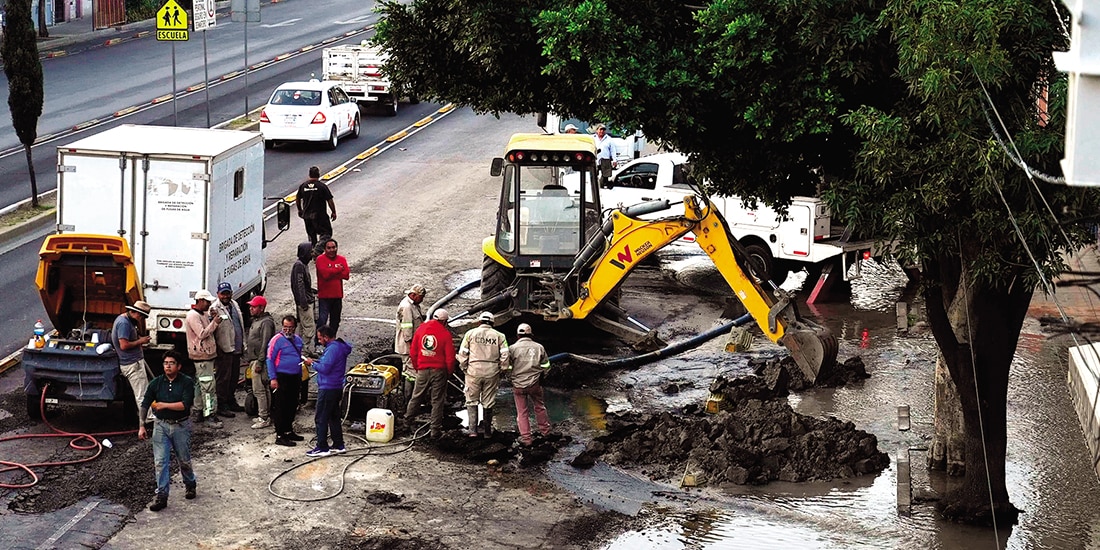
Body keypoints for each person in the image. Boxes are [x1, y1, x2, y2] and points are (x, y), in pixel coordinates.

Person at [138, 350, 196, 512]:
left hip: (180, 426)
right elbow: (145, 404)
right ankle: (162, 495)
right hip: (161, 426)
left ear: (179, 366)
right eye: (165, 363)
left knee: (183, 459)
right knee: (160, 462)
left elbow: (185, 405)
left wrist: (163, 405)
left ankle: (190, 484)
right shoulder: (156, 383)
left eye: (171, 363)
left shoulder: (186, 382)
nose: (168, 366)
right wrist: (142, 425)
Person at [404, 308, 456, 439]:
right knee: (437, 401)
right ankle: (435, 431)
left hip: (422, 369)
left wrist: (417, 367)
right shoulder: (445, 334)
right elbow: (450, 357)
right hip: (439, 371)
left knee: (416, 396)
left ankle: (406, 422)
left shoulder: (421, 329)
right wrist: (449, 372)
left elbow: (413, 351)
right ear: (444, 321)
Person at [457, 311, 510, 438]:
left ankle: (473, 431)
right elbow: (505, 355)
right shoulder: (500, 336)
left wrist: (464, 368)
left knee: (471, 400)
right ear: (492, 323)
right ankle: (487, 432)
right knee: (488, 401)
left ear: (479, 322)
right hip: (491, 371)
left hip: (473, 371)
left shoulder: (470, 333)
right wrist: (503, 369)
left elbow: (463, 353)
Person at [303, 325, 352, 457]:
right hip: (336, 387)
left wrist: (311, 363)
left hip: (328, 388)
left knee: (321, 418)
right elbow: (328, 364)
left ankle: (322, 447)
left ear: (326, 337)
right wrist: (317, 361)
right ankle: (338, 444)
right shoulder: (339, 347)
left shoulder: (332, 349)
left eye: (320, 338)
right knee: (333, 417)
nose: (319, 341)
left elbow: (325, 368)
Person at [509, 323, 552, 446]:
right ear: (531, 334)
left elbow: (506, 367)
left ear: (518, 335)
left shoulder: (512, 349)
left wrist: (511, 378)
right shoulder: (539, 347)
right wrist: (542, 377)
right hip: (535, 384)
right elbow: (546, 366)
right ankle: (545, 431)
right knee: (540, 407)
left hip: (518, 385)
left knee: (522, 412)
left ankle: (526, 438)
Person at [111, 300, 153, 426]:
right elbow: (123, 345)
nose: (141, 319)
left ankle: (142, 416)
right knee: (142, 394)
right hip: (132, 363)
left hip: (132, 361)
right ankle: (148, 420)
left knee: (141, 392)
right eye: (141, 316)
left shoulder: (124, 320)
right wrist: (141, 341)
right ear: (135, 313)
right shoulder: (124, 323)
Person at [185, 289, 222, 428]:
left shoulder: (202, 314)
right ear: (200, 301)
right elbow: (202, 333)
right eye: (207, 302)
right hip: (202, 356)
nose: (208, 305)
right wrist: (215, 323)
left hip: (205, 355)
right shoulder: (193, 316)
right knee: (208, 387)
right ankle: (209, 415)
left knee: (200, 385)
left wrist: (212, 319)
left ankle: (198, 411)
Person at [267, 315, 305, 447]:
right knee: (281, 406)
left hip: (294, 377)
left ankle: (289, 430)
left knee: (292, 404)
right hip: (281, 376)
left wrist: (300, 377)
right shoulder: (276, 340)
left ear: (295, 327)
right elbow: (270, 359)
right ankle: (280, 434)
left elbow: (299, 358)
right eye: (285, 327)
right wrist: (273, 378)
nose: (287, 330)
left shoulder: (298, 341)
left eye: (290, 328)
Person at [211, 282, 245, 417]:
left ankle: (231, 400)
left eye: (227, 293)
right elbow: (212, 329)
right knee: (223, 378)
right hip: (223, 349)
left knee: (234, 376)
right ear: (218, 294)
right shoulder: (214, 308)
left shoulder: (234, 304)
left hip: (235, 347)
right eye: (223, 293)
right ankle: (222, 404)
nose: (225, 296)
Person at [244, 296, 276, 429]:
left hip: (259, 361)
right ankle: (265, 414)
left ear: (261, 308)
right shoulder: (258, 320)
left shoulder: (266, 323)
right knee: (262, 389)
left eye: (254, 306)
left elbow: (265, 344)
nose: (250, 309)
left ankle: (264, 417)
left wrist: (260, 362)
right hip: (255, 359)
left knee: (259, 390)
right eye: (250, 306)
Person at [395, 284, 427, 397]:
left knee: (409, 372)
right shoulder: (407, 307)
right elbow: (407, 329)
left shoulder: (413, 305)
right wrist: (411, 347)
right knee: (411, 373)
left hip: (412, 345)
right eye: (421, 297)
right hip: (407, 347)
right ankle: (408, 399)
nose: (422, 300)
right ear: (414, 295)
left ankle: (408, 397)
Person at [315, 238, 349, 336]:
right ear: (325, 249)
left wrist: (331, 271)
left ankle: (331, 340)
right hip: (324, 296)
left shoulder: (342, 259)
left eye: (333, 247)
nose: (331, 250)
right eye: (329, 248)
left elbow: (346, 275)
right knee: (322, 320)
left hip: (337, 296)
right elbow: (325, 275)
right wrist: (338, 269)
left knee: (335, 321)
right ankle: (318, 343)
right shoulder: (320, 259)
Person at [296, 166, 337, 247]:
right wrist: (333, 212)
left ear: (309, 175)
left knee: (311, 236)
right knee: (326, 234)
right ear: (318, 175)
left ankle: (313, 250)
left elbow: (297, 199)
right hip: (320, 216)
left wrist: (300, 210)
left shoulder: (303, 186)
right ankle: (317, 250)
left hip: (307, 216)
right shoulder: (322, 186)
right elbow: (329, 200)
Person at [291, 242, 317, 353]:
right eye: (310, 251)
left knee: (303, 327)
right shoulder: (299, 266)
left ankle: (301, 348)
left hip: (305, 300)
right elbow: (299, 285)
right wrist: (304, 302)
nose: (312, 254)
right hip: (305, 303)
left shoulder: (302, 264)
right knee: (309, 327)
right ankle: (304, 349)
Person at [593, 124, 617, 188]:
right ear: (597, 130)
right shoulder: (593, 138)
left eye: (603, 130)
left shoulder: (609, 139)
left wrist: (614, 160)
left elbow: (613, 150)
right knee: (594, 174)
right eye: (600, 129)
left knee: (605, 175)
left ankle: (603, 185)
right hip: (596, 159)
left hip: (605, 160)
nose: (602, 131)